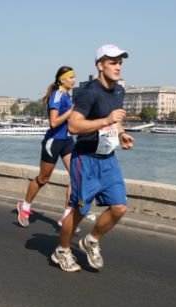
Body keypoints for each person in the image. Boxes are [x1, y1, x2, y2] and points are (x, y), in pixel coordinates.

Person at [51, 44, 134, 272]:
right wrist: (106, 120)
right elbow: (74, 125)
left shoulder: (119, 91)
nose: (118, 67)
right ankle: (62, 250)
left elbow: (116, 119)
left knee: (119, 208)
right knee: (80, 212)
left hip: (108, 159)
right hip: (85, 160)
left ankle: (91, 240)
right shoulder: (89, 92)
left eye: (120, 63)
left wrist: (122, 133)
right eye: (112, 62)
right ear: (100, 65)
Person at [16, 66, 77, 229]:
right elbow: (54, 122)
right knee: (44, 178)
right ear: (62, 79)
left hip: (67, 140)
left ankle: (67, 215)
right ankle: (25, 206)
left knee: (77, 175)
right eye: (71, 77)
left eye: (74, 77)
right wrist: (71, 111)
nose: (74, 80)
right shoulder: (57, 95)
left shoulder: (67, 96)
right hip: (54, 141)